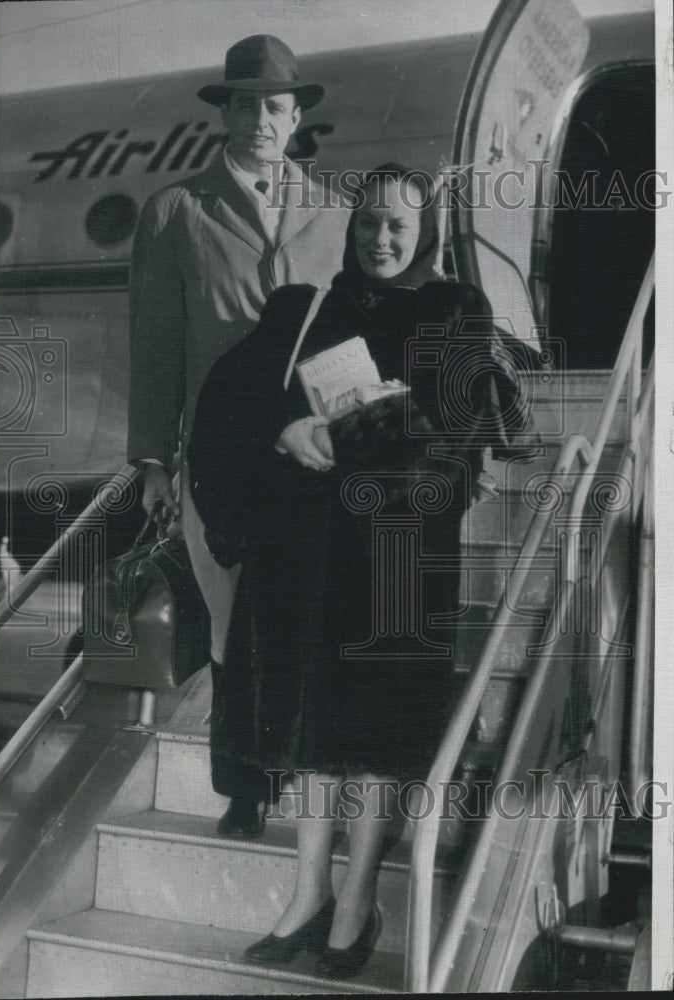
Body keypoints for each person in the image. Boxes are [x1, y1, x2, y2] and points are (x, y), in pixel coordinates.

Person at [188, 164, 499, 978]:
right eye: (368, 223)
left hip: (398, 545)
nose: (382, 239)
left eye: (399, 224)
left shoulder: (455, 311)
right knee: (312, 731)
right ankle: (304, 895)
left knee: (375, 734)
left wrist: (376, 424)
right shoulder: (307, 309)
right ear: (350, 226)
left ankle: (356, 902)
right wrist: (284, 430)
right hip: (310, 547)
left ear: (425, 228)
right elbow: (232, 397)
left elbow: (460, 435)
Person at [127, 34, 349, 838]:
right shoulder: (177, 210)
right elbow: (154, 344)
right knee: (227, 622)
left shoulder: (335, 212)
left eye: (275, 106)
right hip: (220, 454)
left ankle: (298, 762)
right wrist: (153, 458)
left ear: (296, 119)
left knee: (299, 613)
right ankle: (245, 783)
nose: (261, 118)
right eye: (246, 103)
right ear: (226, 113)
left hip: (308, 447)